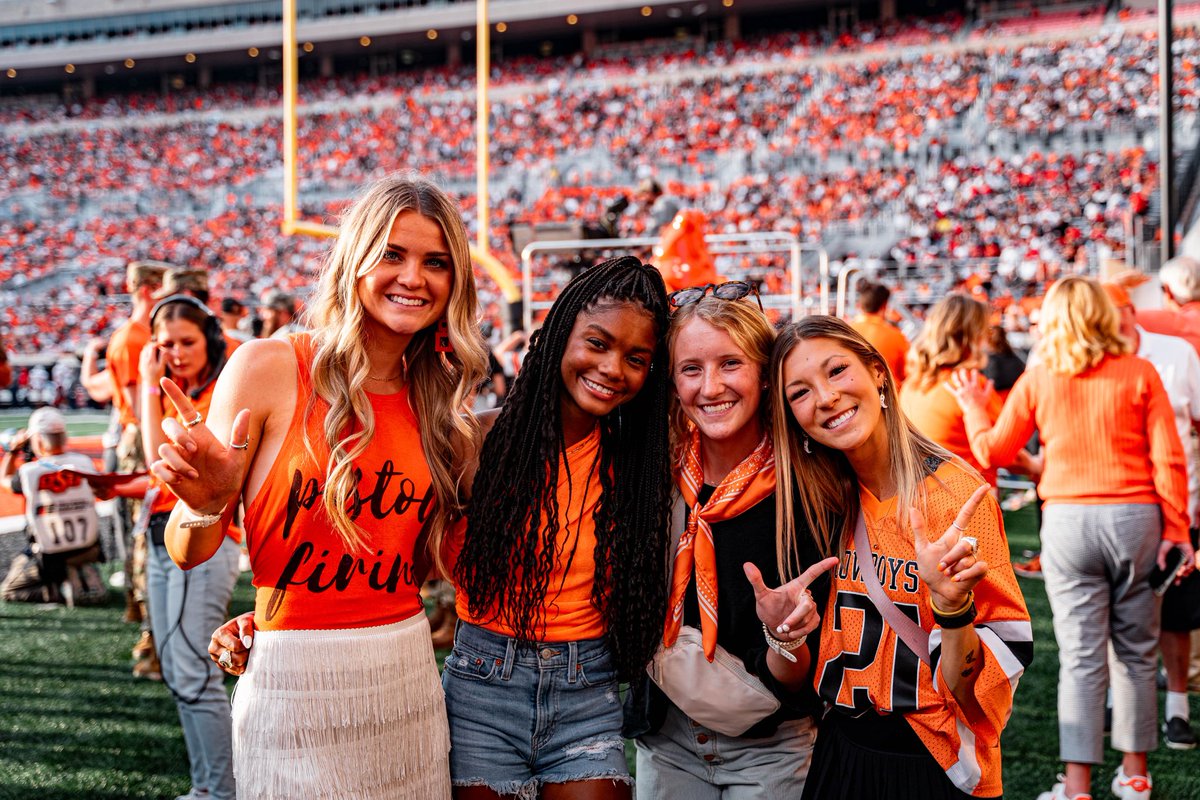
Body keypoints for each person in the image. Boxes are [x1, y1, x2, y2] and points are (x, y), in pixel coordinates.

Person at [152, 175, 487, 799]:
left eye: (435, 262)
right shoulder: (270, 366)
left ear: (455, 282)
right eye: (392, 253)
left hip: (404, 679)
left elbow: (413, 563)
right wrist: (205, 503)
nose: (413, 277)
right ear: (354, 260)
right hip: (292, 687)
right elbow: (188, 549)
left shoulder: (443, 408)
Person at [948, 276, 1193, 800]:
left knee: (1081, 656)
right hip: (1136, 520)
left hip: (1068, 521)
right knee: (1136, 651)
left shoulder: (1039, 377)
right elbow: (1168, 459)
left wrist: (973, 405)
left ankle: (1076, 786)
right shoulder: (1141, 371)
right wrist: (1178, 529)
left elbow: (992, 450)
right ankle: (1134, 776)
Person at [771, 315, 1032, 800]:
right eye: (799, 392)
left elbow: (984, 689)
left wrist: (953, 609)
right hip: (839, 751)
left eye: (836, 371)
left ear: (877, 371)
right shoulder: (818, 499)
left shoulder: (956, 495)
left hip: (932, 761)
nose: (825, 397)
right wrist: (782, 630)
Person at [447, 256, 674, 799]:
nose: (614, 367)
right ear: (558, 336)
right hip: (483, 682)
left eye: (636, 357)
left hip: (587, 688)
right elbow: (397, 553)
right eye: (597, 343)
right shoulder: (477, 443)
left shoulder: (638, 467)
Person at [627, 286, 836, 798]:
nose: (711, 385)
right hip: (666, 738)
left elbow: (793, 682)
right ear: (672, 383)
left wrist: (785, 635)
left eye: (730, 364)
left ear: (765, 376)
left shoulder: (811, 488)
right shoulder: (652, 475)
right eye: (691, 368)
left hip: (773, 750)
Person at [140, 294, 241, 800]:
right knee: (177, 663)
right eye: (166, 344)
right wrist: (146, 382)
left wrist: (145, 384)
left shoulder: (225, 387)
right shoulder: (176, 388)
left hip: (205, 535)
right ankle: (209, 785)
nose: (176, 353)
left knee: (193, 665)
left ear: (211, 340)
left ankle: (220, 789)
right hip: (164, 529)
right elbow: (147, 463)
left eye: (187, 341)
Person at [1102, 281, 1200, 751]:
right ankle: (1109, 703)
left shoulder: (1176, 353)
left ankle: (1176, 708)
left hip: (1178, 506)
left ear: (1129, 311)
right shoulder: (1086, 357)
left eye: (1116, 312)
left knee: (1177, 618)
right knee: (1109, 614)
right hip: (1116, 511)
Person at [901, 294, 1038, 488]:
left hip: (922, 496)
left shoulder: (911, 386)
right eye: (985, 330)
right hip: (970, 498)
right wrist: (1035, 466)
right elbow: (1004, 449)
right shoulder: (970, 386)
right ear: (971, 337)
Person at [107, 258, 169, 678]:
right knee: (147, 532)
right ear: (148, 290)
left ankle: (144, 616)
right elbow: (138, 401)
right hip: (141, 438)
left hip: (142, 436)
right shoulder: (135, 337)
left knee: (145, 532)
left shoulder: (136, 334)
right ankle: (151, 632)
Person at [0, 407, 107, 605]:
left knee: (9, 590)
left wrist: (14, 451)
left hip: (51, 555)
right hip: (90, 548)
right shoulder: (85, 463)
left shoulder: (29, 471)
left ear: (38, 440)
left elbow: (4, 479)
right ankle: (79, 570)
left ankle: (61, 590)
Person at [849, 278, 909, 383]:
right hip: (888, 395)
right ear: (884, 305)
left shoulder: (845, 332)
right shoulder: (896, 336)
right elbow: (907, 373)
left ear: (860, 304)